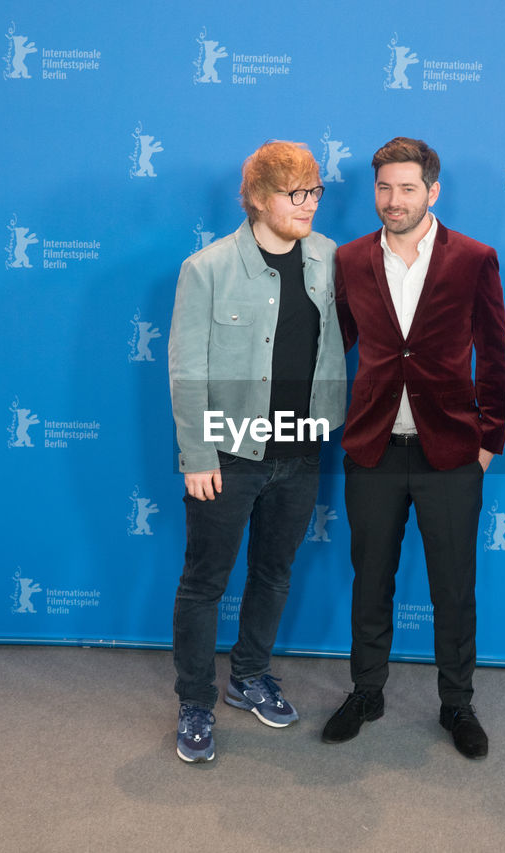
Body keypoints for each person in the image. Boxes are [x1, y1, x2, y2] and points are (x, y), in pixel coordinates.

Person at [322, 137, 505, 759]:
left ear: (433, 191)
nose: (392, 200)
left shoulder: (474, 259)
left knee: (453, 587)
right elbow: (333, 350)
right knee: (369, 579)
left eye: (406, 188)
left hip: (451, 454)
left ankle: (457, 703)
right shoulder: (348, 260)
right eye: (383, 188)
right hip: (373, 449)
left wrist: (487, 444)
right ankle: (366, 691)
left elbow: (495, 356)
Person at [167, 141, 345, 763]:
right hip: (229, 451)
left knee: (274, 570)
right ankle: (195, 702)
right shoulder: (207, 268)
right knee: (204, 583)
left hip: (301, 450)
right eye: (295, 195)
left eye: (315, 192)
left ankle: (248, 676)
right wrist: (197, 456)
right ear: (258, 200)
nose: (309, 206)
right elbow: (187, 372)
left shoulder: (327, 258)